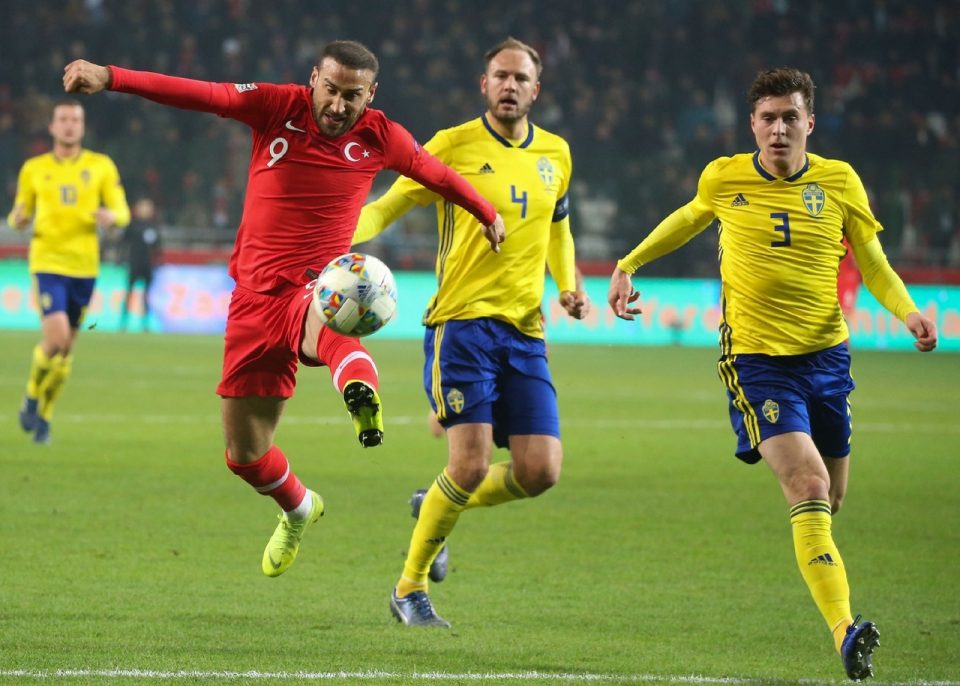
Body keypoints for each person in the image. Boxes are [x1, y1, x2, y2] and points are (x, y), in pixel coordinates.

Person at [62, 41, 505, 579]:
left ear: (371, 94)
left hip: (316, 285)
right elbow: (201, 94)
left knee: (331, 317)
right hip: (251, 299)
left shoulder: (382, 136)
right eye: (332, 90)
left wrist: (485, 212)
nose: (339, 105)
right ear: (314, 78)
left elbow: (436, 173)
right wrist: (111, 76)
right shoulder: (276, 106)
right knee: (244, 454)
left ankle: (360, 393)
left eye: (353, 96)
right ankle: (299, 507)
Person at [608, 68, 937, 682]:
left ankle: (826, 588)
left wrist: (909, 311)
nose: (779, 129)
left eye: (790, 117)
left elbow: (873, 262)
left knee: (830, 499)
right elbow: (689, 218)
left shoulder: (839, 182)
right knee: (809, 483)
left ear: (810, 122)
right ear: (752, 124)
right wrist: (629, 262)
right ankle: (845, 631)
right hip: (757, 362)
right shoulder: (724, 176)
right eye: (768, 118)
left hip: (827, 358)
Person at [354, 37, 588, 628]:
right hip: (462, 326)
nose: (510, 86)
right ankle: (409, 589)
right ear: (484, 85)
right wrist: (333, 233)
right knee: (469, 465)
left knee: (540, 472)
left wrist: (567, 284)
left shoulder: (557, 154)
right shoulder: (452, 146)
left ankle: (429, 502)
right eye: (500, 76)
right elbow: (389, 204)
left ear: (536, 89)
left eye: (520, 78)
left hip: (526, 331)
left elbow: (557, 227)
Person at [8, 98, 131, 445]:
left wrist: (112, 217)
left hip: (85, 266)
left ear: (82, 126)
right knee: (56, 338)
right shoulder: (34, 169)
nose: (69, 125)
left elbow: (122, 211)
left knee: (64, 352)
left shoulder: (100, 166)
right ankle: (32, 395)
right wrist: (19, 219)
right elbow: (17, 215)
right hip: (48, 262)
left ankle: (44, 418)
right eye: (62, 119)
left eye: (75, 119)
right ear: (52, 126)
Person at [119, 197, 162, 331]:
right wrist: (121, 259)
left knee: (146, 294)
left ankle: (145, 323)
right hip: (134, 263)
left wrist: (157, 263)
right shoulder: (132, 225)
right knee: (129, 291)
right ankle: (124, 321)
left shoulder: (154, 226)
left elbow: (158, 247)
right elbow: (123, 242)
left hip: (148, 265)